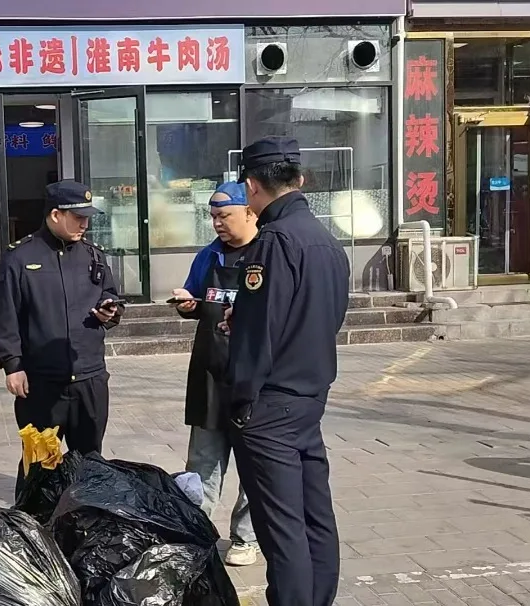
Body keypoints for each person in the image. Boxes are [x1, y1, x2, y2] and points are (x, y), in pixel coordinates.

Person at [221, 136, 350, 606]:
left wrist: (240, 400)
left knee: (281, 527)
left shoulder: (274, 242)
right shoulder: (327, 242)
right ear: (300, 180)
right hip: (310, 396)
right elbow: (326, 317)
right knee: (316, 516)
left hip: (271, 403)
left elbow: (259, 333)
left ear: (252, 187)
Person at [0, 179, 124, 498]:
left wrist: (110, 310)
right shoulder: (20, 258)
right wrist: (12, 365)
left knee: (91, 464)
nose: (85, 224)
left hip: (89, 377)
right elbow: (5, 316)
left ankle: (85, 519)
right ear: (55, 215)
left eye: (87, 217)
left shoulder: (93, 255)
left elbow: (110, 296)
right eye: (78, 217)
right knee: (39, 464)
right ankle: (33, 519)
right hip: (41, 383)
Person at [170, 182, 260, 566]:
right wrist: (186, 304)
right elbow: (193, 298)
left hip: (253, 378)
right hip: (209, 374)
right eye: (213, 216)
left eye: (224, 216)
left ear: (250, 212)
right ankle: (197, 532)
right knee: (202, 463)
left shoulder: (265, 254)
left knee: (254, 463)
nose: (217, 223)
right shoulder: (208, 256)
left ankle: (246, 538)